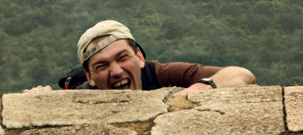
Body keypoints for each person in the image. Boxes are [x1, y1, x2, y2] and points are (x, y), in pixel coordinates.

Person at [23, 20, 255, 95]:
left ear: (140, 58)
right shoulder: (82, 95)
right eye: (101, 66)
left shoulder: (162, 74)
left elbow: (242, 75)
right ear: (90, 77)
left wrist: (202, 88)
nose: (116, 71)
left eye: (122, 57)